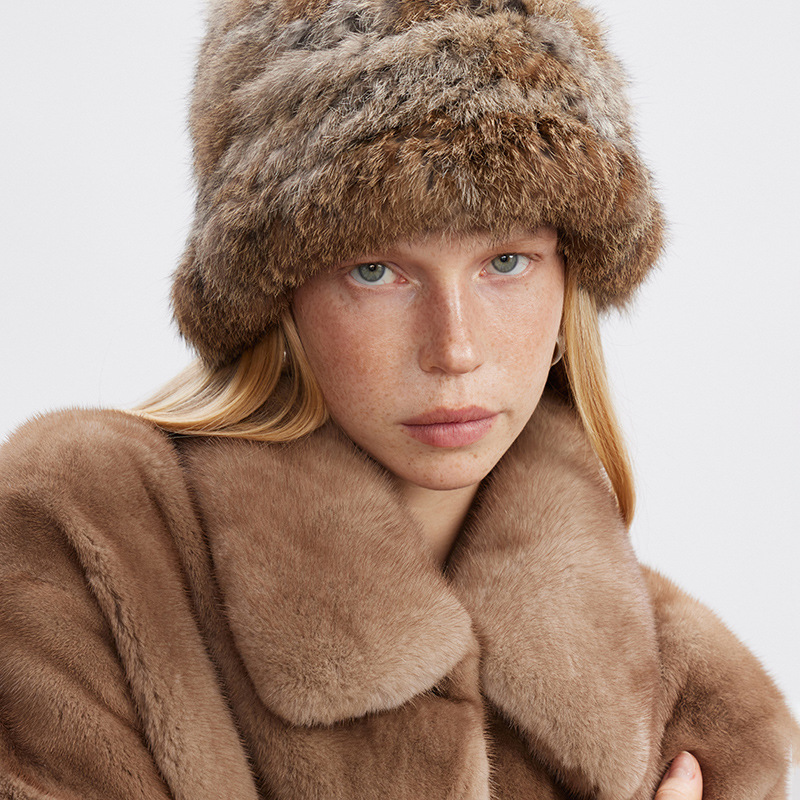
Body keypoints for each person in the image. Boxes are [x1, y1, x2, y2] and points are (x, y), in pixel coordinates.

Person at [0, 1, 797, 799]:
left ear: (569, 286)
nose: (455, 348)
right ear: (278, 297)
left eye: (507, 262)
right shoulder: (89, 533)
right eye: (376, 271)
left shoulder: (698, 704)